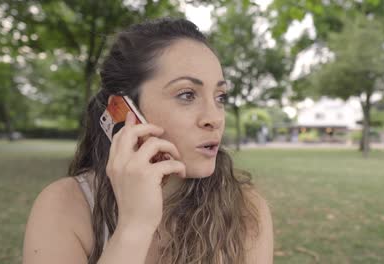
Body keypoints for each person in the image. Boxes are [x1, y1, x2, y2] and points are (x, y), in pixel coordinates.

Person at [22, 17, 273, 264]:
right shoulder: (65, 206)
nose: (214, 118)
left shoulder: (245, 209)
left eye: (220, 97)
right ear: (122, 111)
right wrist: (134, 226)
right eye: (187, 94)